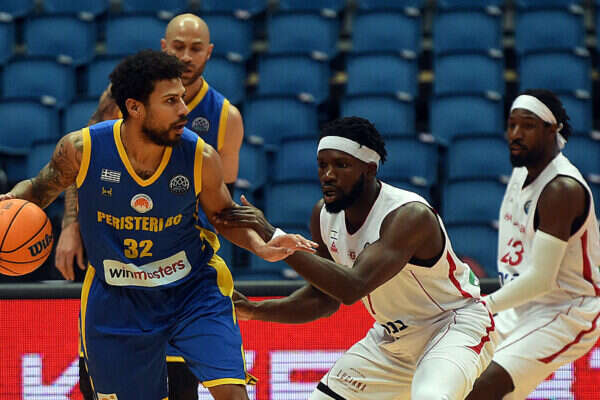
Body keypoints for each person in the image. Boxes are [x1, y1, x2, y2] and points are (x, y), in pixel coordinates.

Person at [0, 50, 316, 400]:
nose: (184, 109)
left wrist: (260, 245)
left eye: (182, 97)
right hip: (118, 297)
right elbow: (38, 189)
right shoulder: (82, 148)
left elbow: (222, 215)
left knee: (232, 393)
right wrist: (8, 204)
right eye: (170, 101)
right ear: (135, 107)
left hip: (192, 289)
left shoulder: (200, 156)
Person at [218, 116, 498, 399]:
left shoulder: (409, 215)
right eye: (322, 165)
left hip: (452, 325)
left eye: (341, 165)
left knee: (430, 396)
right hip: (393, 338)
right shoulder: (323, 216)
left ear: (369, 170)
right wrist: (254, 310)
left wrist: (273, 236)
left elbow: (352, 287)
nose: (328, 175)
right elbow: (324, 298)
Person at [53, 14, 245, 400]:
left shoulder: (224, 117)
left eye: (195, 48)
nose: (186, 56)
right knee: (100, 386)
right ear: (164, 48)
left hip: (182, 270)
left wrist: (257, 240)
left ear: (209, 52)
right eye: (178, 47)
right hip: (122, 271)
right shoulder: (124, 100)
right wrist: (71, 225)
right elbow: (85, 163)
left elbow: (220, 206)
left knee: (184, 388)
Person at [466, 90, 600, 399]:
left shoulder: (561, 189)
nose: (515, 134)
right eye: (511, 125)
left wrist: (484, 306)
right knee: (453, 370)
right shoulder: (521, 171)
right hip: (523, 306)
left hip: (567, 310)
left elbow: (541, 279)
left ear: (552, 130)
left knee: (485, 385)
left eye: (527, 126)